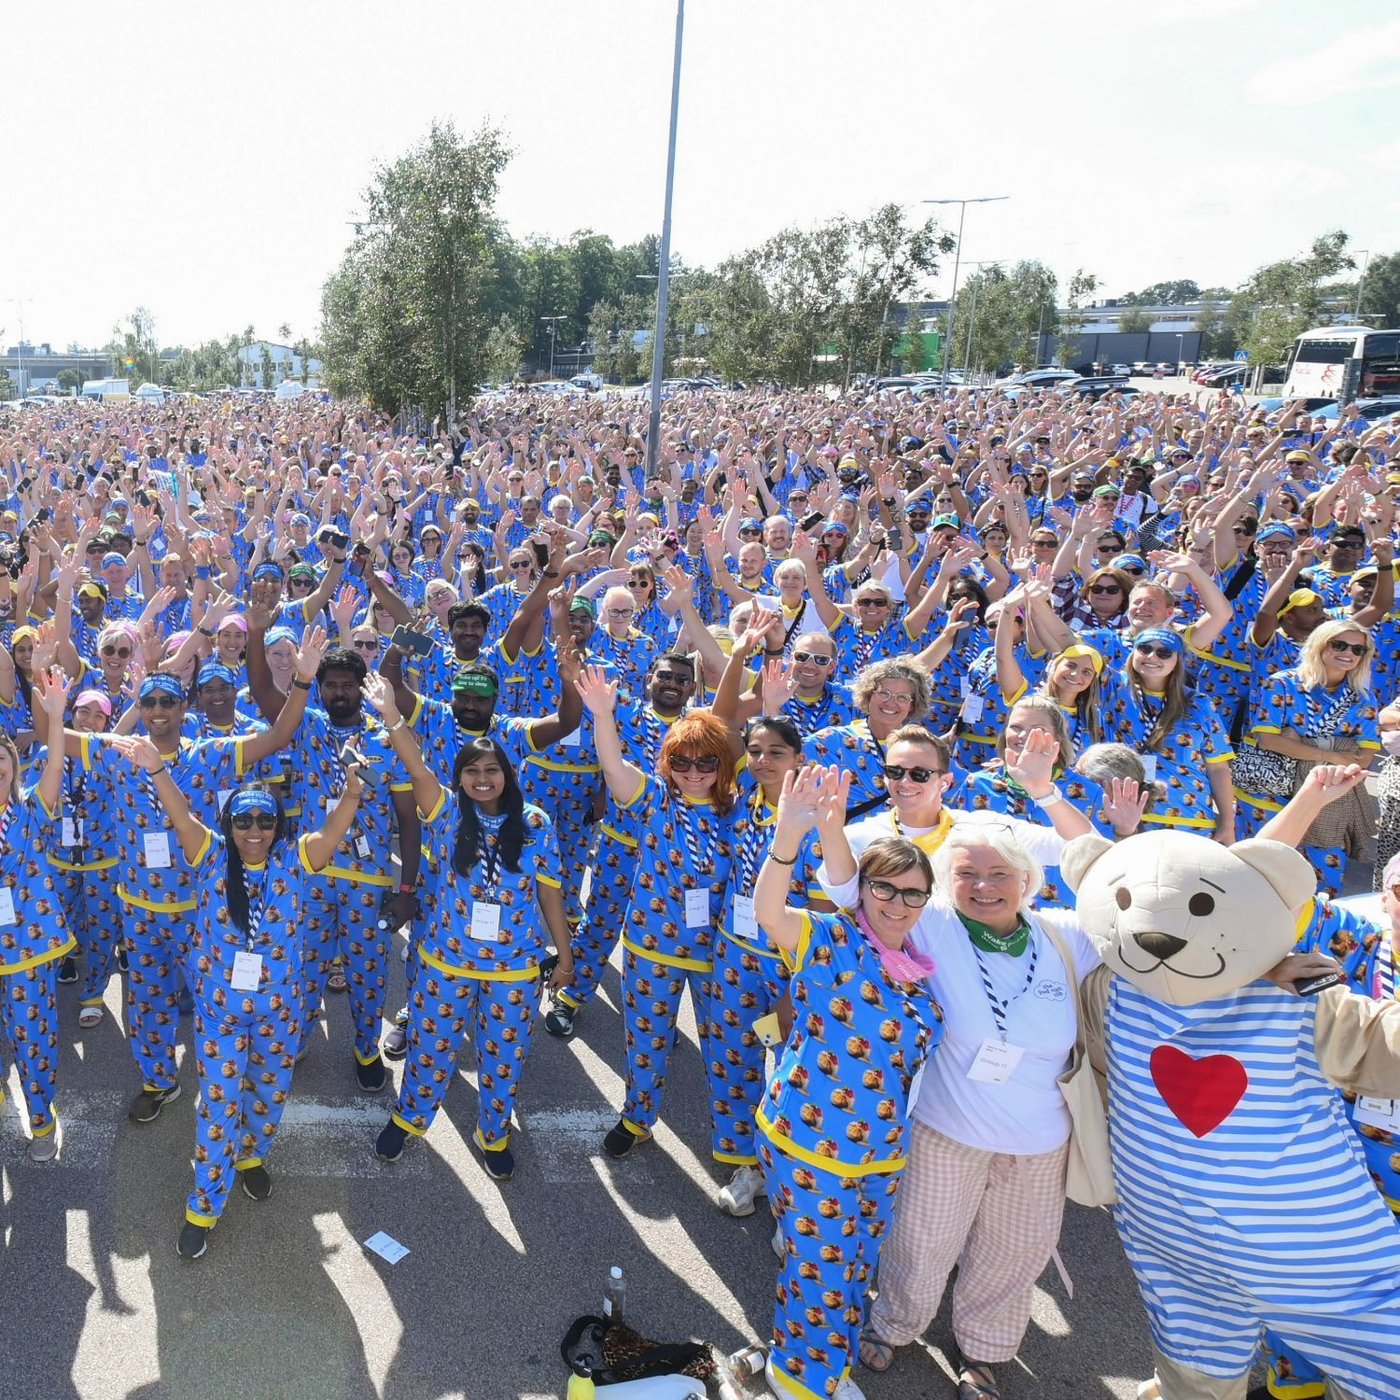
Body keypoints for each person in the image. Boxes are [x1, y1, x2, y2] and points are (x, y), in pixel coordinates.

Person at [815, 786, 1105, 1400]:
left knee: (1012, 1254)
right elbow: (851, 896)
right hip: (947, 1128)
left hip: (1040, 1140)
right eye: (967, 873)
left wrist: (1269, 965)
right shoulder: (934, 924)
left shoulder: (1065, 936)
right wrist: (826, 826)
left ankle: (984, 1352)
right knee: (921, 1241)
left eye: (1000, 873)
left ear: (1028, 881)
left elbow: (1144, 932)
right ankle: (894, 1325)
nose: (984, 885)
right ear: (949, 882)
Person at [110, 744, 362, 1260]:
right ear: (228, 825)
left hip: (280, 1010)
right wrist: (157, 767)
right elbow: (180, 813)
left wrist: (354, 788)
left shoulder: (297, 860)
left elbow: (334, 831)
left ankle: (252, 1156)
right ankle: (203, 1206)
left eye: (264, 820)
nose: (254, 830)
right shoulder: (207, 855)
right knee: (219, 1104)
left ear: (277, 826)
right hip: (221, 1013)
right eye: (243, 820)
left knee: (269, 1097)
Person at [753, 764, 943, 1400]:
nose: (898, 903)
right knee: (821, 1272)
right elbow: (768, 910)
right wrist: (791, 832)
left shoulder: (920, 970)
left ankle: (821, 1365)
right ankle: (799, 1382)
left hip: (880, 1154)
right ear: (863, 890)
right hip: (811, 1143)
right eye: (885, 889)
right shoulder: (833, 937)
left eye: (914, 894)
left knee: (850, 1267)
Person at [363, 676, 573, 1180]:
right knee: (432, 1049)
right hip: (445, 962)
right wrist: (392, 715)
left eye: (492, 770)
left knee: (502, 1058)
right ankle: (409, 1119)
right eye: (472, 771)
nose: (482, 779)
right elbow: (415, 764)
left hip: (515, 968)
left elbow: (550, 894)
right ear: (457, 779)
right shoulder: (446, 813)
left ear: (509, 773)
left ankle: (493, 1132)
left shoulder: (537, 823)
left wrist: (565, 958)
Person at [574, 663, 735, 1159]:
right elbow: (613, 767)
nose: (692, 772)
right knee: (646, 1041)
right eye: (681, 762)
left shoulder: (740, 806)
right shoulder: (653, 799)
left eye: (705, 762)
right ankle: (638, 1117)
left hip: (717, 951)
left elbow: (736, 719)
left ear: (722, 765)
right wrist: (603, 715)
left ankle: (736, 1144)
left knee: (728, 1053)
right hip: (653, 944)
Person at [1236, 618, 1382, 895]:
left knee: (1323, 881)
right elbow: (1268, 739)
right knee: (1260, 871)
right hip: (1269, 792)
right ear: (1319, 645)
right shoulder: (1282, 684)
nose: (1348, 653)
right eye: (1339, 644)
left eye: (1357, 649)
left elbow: (1364, 757)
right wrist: (1332, 752)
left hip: (1326, 797)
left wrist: (1297, 742)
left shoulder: (1363, 698)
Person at [0, 665, 76, 1160]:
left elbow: (54, 767)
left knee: (34, 1038)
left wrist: (54, 717)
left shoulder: (30, 810)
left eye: (1, 766)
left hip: (28, 947)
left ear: (11, 768)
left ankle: (42, 1122)